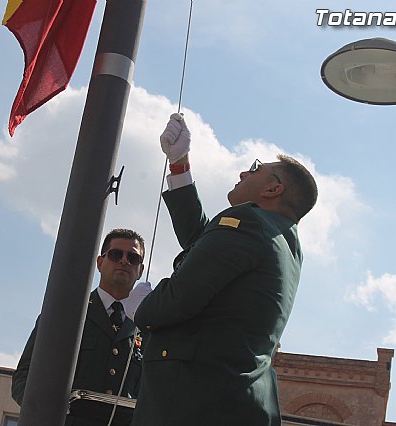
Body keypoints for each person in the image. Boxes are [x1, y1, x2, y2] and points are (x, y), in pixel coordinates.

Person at [130, 114, 318, 426]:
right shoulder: (282, 240)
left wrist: (141, 308)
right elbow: (205, 246)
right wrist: (179, 164)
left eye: (256, 169)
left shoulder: (247, 223)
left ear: (273, 189)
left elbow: (178, 298)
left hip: (195, 406)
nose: (245, 171)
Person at [12, 228, 151, 426]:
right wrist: (44, 415)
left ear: (140, 270)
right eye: (115, 254)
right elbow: (24, 376)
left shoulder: (148, 325)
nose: (124, 261)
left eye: (133, 258)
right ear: (100, 263)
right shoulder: (65, 314)